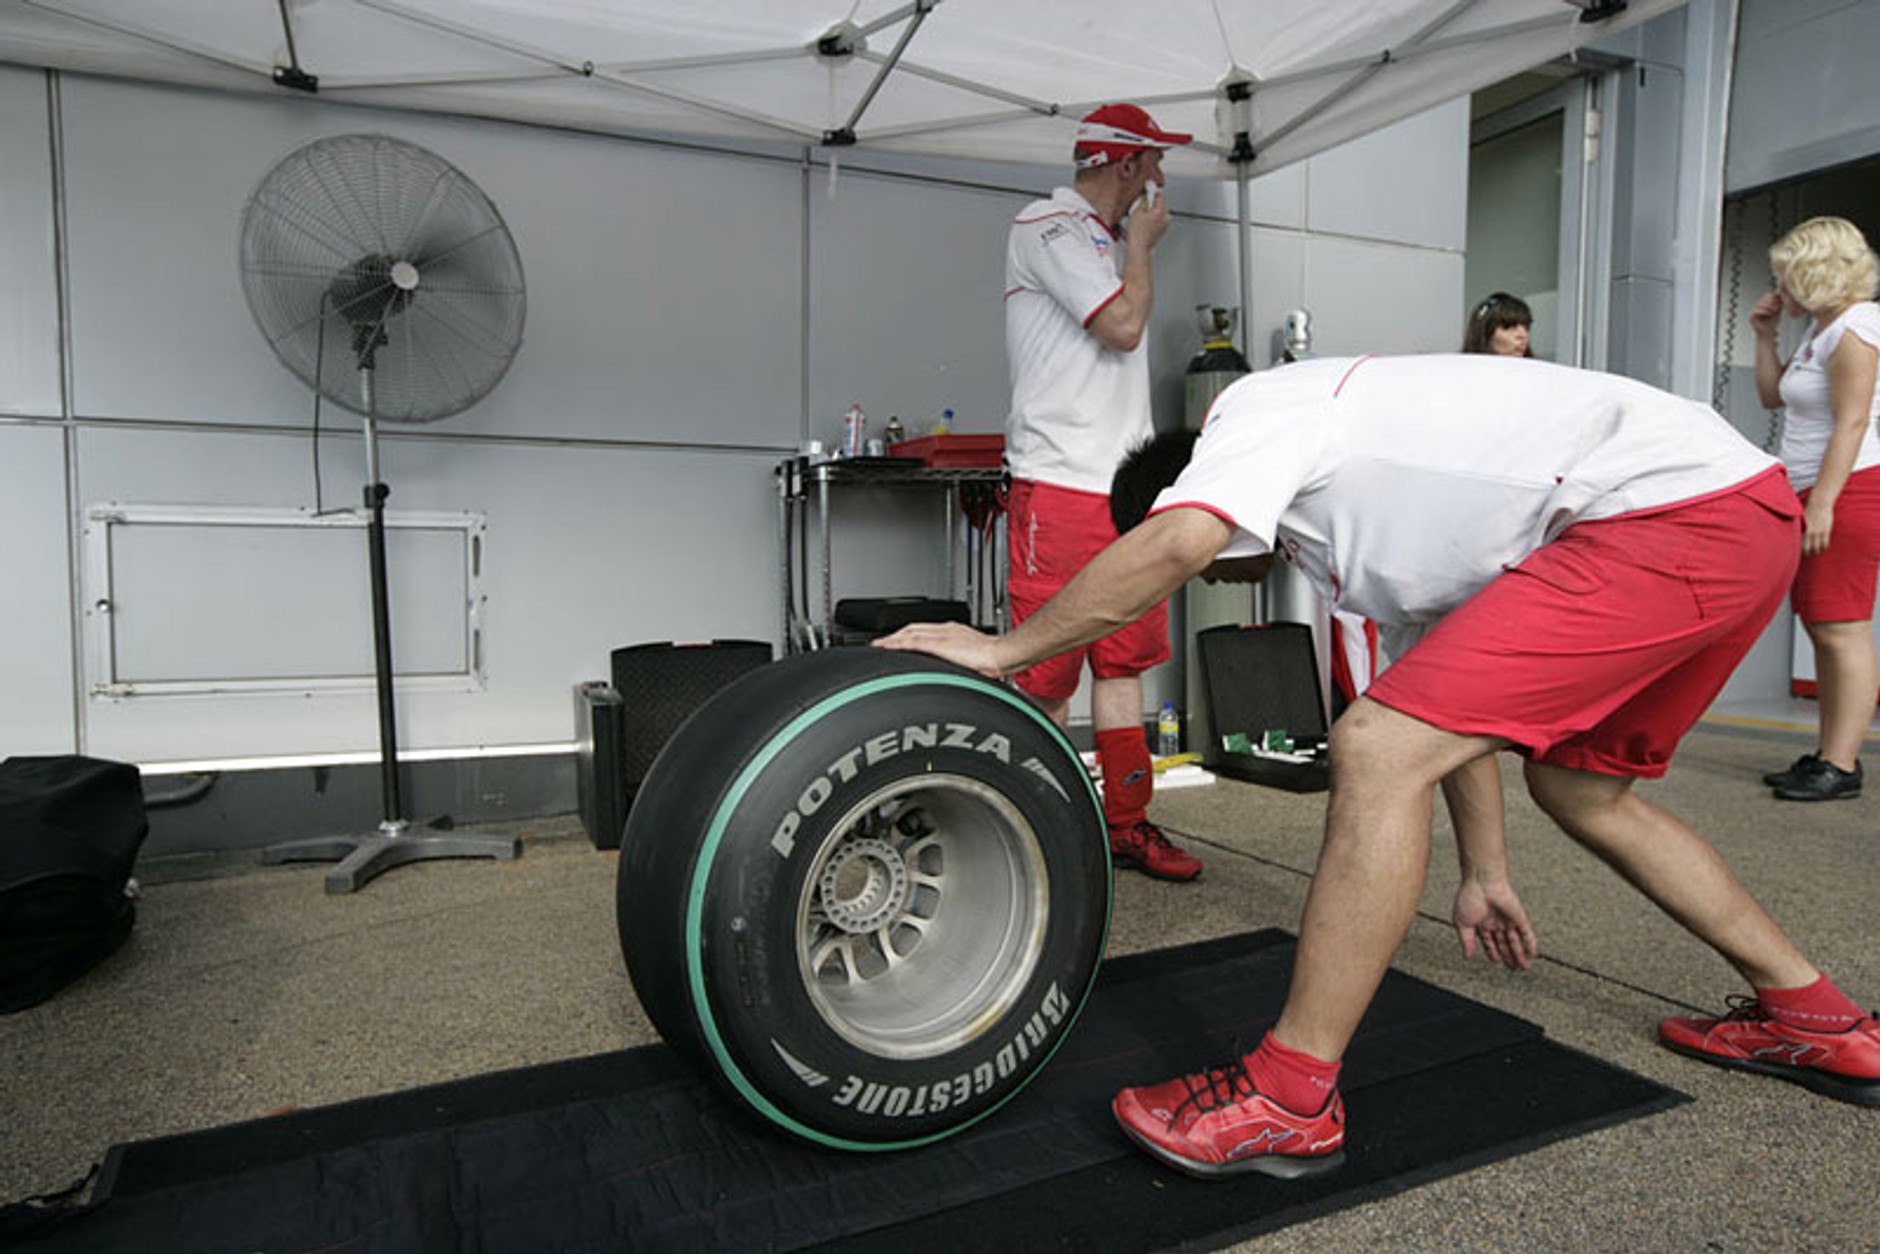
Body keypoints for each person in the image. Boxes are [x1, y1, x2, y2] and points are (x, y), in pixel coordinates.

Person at [879, 353, 1880, 1179]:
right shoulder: (1367, 527)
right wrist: (1482, 872)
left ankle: (1286, 1095)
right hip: (1734, 519)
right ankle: (1814, 1018)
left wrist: (1000, 648)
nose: (1228, 567)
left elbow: (1180, 542)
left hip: (1668, 518)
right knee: (1576, 786)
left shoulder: (1255, 412)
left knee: (1369, 744)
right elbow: (1443, 708)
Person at [1001, 102, 1202, 881]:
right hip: (1057, 482)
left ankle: (1127, 824)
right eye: (1154, 163)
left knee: (1124, 664)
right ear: (1127, 165)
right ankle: (1030, 831)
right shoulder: (1045, 225)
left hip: (1125, 491)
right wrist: (1144, 247)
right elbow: (1120, 325)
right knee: (1046, 669)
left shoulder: (1103, 242)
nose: (1160, 180)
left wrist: (1131, 246)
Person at [1751, 216, 1880, 802]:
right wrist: (1765, 335)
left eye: (1784, 274)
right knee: (1822, 627)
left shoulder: (1856, 326)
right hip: (1812, 486)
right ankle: (1830, 753)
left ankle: (1843, 763)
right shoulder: (1822, 329)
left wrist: (1824, 501)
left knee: (1842, 627)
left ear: (1814, 270)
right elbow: (1773, 395)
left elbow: (1853, 420)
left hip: (1847, 488)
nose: (1778, 284)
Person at [1462, 290, 1534, 357]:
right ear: (1486, 334)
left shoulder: (1538, 369)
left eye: (1526, 328)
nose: (1523, 335)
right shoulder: (1459, 368)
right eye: (1509, 327)